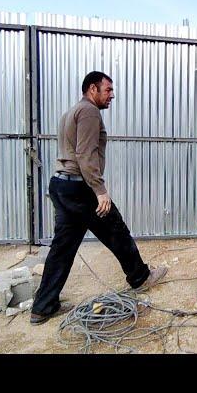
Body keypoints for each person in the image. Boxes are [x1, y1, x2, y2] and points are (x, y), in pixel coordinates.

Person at [30, 71, 167, 325]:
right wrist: (100, 190)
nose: (111, 95)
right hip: (80, 189)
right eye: (108, 90)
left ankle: (42, 306)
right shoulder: (90, 112)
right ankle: (140, 277)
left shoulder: (71, 112)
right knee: (116, 229)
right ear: (93, 89)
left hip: (61, 185)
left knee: (62, 248)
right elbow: (85, 154)